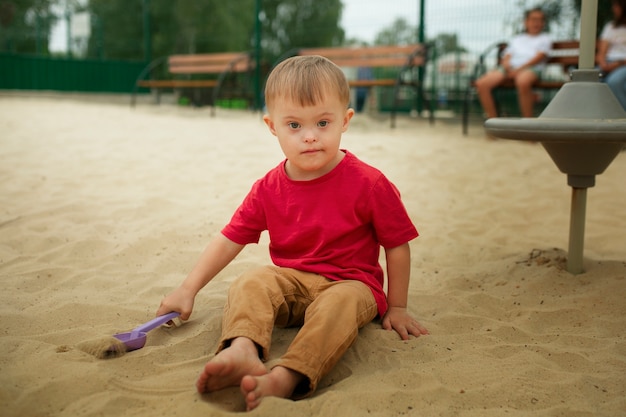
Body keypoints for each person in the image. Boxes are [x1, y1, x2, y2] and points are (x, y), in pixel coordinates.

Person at [156, 55, 429, 411]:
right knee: (251, 281)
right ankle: (243, 349)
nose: (311, 136)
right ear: (273, 127)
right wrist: (187, 289)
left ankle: (287, 376)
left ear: (345, 121)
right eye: (294, 126)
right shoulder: (269, 187)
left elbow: (397, 245)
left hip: (352, 283)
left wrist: (398, 306)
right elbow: (230, 238)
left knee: (339, 305)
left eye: (323, 122)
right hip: (293, 281)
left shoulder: (369, 183)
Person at [475, 7, 552, 120]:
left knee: (523, 81)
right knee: (482, 84)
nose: (537, 23)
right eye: (534, 19)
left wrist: (518, 70)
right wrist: (506, 66)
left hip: (531, 69)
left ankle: (527, 125)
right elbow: (507, 56)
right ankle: (493, 124)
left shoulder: (546, 39)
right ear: (526, 22)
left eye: (540, 20)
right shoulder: (517, 39)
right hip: (510, 69)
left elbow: (538, 59)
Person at [596, 0, 626, 110]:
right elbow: (602, 51)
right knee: (592, 78)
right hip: (608, 62)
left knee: (614, 82)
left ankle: (622, 118)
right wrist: (603, 63)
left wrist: (618, 64)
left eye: (616, 5)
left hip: (623, 64)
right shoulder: (610, 27)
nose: (613, 8)